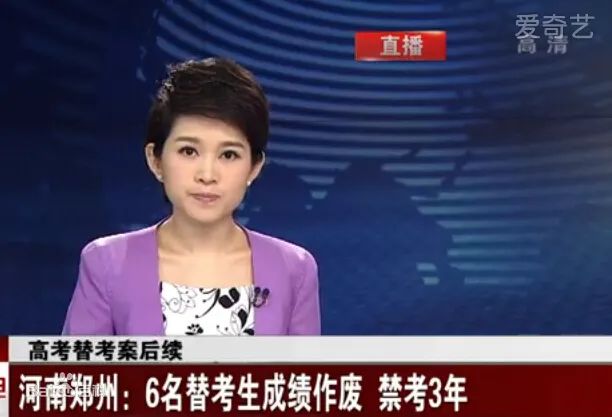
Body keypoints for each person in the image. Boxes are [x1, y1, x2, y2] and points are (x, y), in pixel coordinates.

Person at [62, 58, 320, 336]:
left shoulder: (294, 269)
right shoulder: (106, 263)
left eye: (228, 155)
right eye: (188, 151)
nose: (207, 175)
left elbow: (305, 365)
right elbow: (79, 364)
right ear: (156, 160)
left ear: (254, 167)